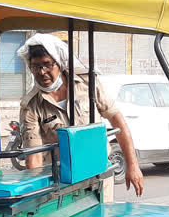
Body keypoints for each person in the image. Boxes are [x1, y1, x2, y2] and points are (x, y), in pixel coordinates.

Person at [17, 34, 144, 199]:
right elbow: (34, 157)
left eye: (47, 65)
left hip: (98, 173)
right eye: (35, 67)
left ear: (59, 63)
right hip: (62, 182)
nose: (42, 72)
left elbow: (116, 118)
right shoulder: (31, 105)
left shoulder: (87, 83)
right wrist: (34, 197)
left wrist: (133, 165)